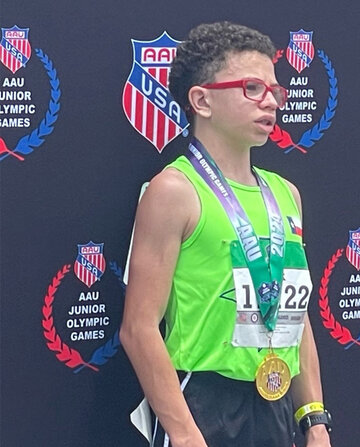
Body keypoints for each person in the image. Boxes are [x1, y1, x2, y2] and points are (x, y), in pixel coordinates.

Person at [120, 22, 332, 447]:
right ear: (202, 100)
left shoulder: (286, 194)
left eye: (276, 90)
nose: (270, 101)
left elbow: (295, 314)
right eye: (252, 88)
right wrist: (184, 433)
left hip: (275, 405)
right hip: (203, 405)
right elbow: (139, 328)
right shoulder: (174, 191)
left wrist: (314, 419)